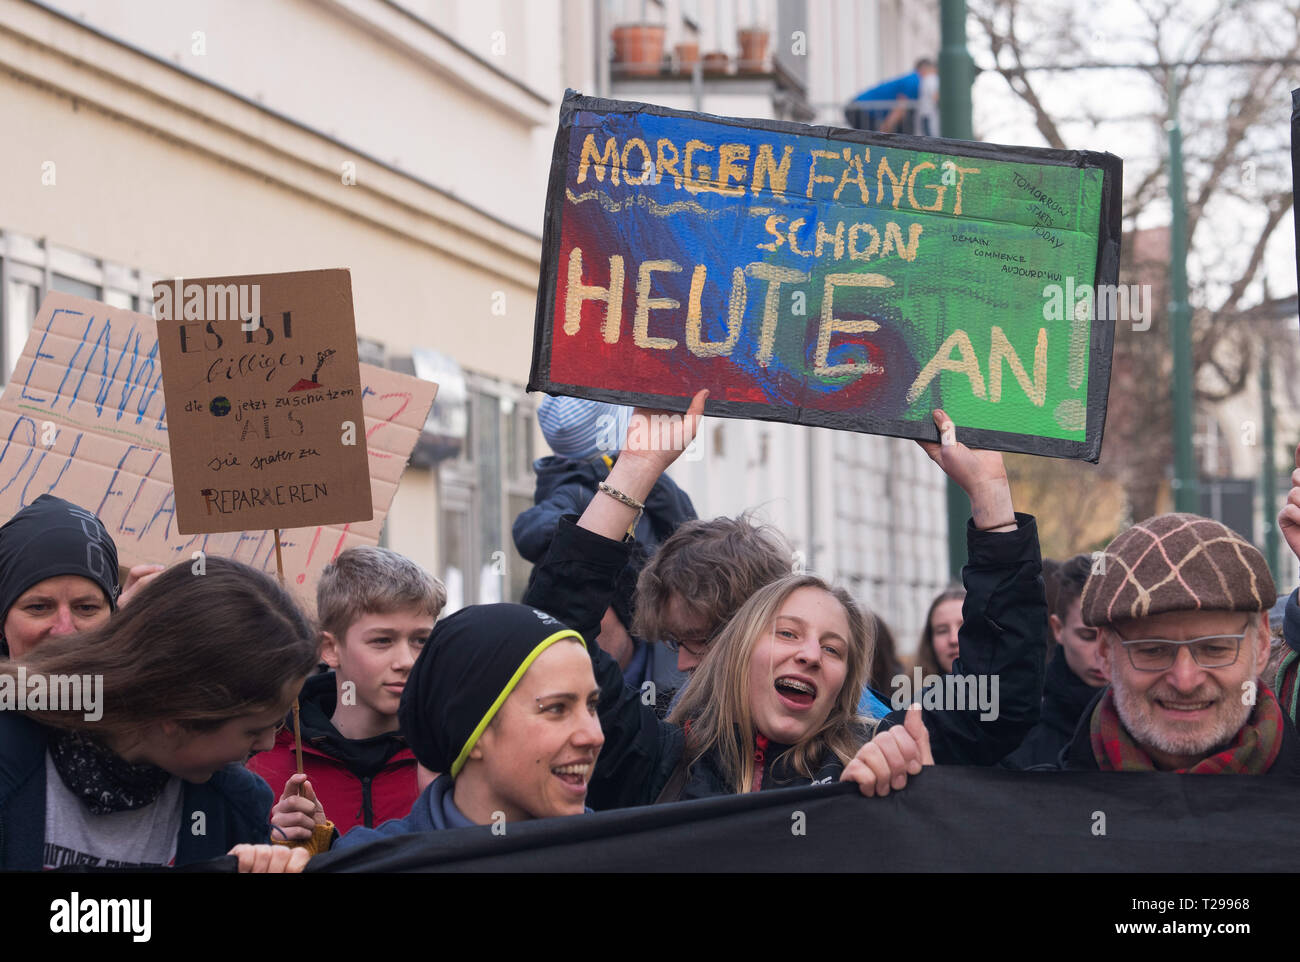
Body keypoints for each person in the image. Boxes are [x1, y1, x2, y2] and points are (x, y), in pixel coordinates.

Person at [524, 394, 1042, 808]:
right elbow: (549, 637)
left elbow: (1000, 700)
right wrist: (637, 467)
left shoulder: (883, 751)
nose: (811, 655)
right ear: (738, 645)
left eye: (835, 649)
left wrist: (990, 494)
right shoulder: (657, 757)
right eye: (788, 633)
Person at [0, 557, 320, 870]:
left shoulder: (235, 808)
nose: (266, 743)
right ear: (176, 711)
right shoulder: (11, 755)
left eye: (276, 724)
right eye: (252, 729)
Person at [274, 603, 605, 849]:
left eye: (592, 705)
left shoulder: (622, 856)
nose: (594, 734)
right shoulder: (368, 861)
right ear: (471, 732)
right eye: (557, 708)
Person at [1034, 513, 1299, 774]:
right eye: (1153, 650)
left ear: (1262, 644)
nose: (1185, 681)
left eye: (1214, 649)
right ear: (1105, 653)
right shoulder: (1038, 808)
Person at [246, 546, 445, 840]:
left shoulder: (451, 761)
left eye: (420, 640)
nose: (406, 661)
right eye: (382, 640)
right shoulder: (261, 762)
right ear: (330, 649)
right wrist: (273, 845)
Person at [515, 394, 696, 699]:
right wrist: (593, 531)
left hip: (650, 639)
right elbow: (528, 529)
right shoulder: (577, 490)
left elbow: (686, 524)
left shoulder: (647, 483)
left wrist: (646, 474)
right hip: (631, 649)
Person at [1002, 553, 1105, 769]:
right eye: (1087, 636)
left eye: (1114, 637)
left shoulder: (1156, 723)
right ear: (1058, 629)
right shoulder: (1017, 726)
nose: (1101, 653)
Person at [845, 57, 939, 134]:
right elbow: (900, 107)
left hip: (861, 108)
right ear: (926, 69)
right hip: (860, 109)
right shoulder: (915, 80)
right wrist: (885, 130)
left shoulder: (913, 79)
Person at [916, 586, 965, 676]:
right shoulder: (908, 689)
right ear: (929, 640)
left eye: (964, 628)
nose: (953, 640)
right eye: (942, 631)